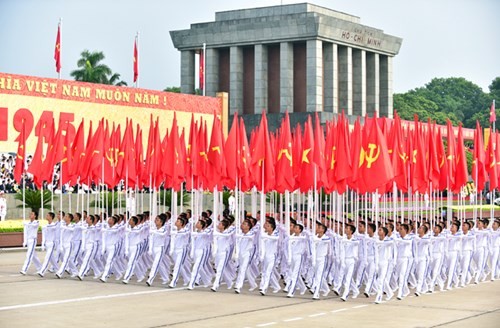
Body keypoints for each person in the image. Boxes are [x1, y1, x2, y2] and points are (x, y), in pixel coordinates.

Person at [37, 212, 60, 277]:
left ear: (51, 217)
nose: (46, 216)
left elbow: (56, 234)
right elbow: (44, 236)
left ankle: (42, 271)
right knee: (51, 258)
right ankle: (58, 270)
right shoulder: (45, 226)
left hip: (51, 243)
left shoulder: (54, 226)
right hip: (47, 243)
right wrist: (42, 244)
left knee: (47, 257)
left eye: (47, 215)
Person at [20, 210, 42, 275]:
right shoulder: (28, 223)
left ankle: (24, 269)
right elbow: (26, 233)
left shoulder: (36, 222)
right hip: (29, 240)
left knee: (29, 255)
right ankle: (40, 268)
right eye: (30, 214)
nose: (30, 215)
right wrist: (25, 241)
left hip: (33, 240)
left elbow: (34, 226)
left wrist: (26, 224)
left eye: (32, 214)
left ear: (35, 216)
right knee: (34, 256)